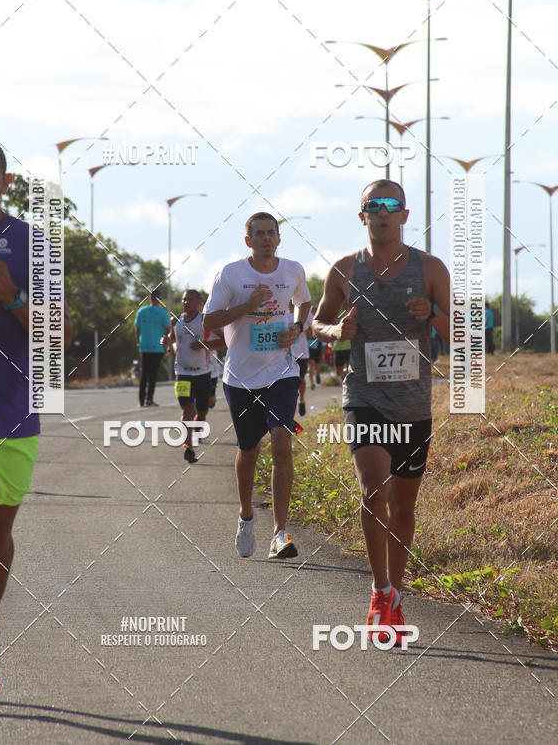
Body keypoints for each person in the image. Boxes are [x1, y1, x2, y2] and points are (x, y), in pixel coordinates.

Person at [0, 134, 72, 700]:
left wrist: (13, 297)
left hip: (10, 411)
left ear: (5, 182)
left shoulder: (34, 244)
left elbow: (60, 339)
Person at [313, 180, 450, 643]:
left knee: (403, 507)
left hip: (413, 403)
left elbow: (461, 331)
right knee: (374, 490)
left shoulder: (429, 268)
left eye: (392, 204)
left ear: (405, 215)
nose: (383, 211)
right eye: (374, 205)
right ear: (363, 216)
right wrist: (337, 331)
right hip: (364, 397)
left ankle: (397, 591)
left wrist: (431, 314)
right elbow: (317, 322)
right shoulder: (344, 269)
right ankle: (379, 589)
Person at [203, 212, 311, 559]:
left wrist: (297, 328)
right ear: (248, 240)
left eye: (271, 233)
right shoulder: (231, 274)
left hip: (282, 371)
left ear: (279, 238)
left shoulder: (292, 270)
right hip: (241, 377)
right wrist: (247, 306)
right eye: (259, 234)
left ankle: (280, 532)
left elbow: (304, 303)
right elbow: (209, 321)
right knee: (249, 450)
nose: (266, 238)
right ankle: (246, 516)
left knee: (282, 442)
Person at [161, 290, 224, 464]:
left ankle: (198, 423)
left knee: (202, 412)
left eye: (190, 300)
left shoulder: (205, 321)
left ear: (198, 302)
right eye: (184, 300)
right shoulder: (175, 320)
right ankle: (187, 446)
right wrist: (166, 342)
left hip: (203, 373)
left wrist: (204, 345)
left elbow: (224, 340)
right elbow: (172, 339)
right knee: (187, 409)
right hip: (182, 373)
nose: (186, 302)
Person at [134, 287, 169, 407]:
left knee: (144, 374)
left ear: (149, 298)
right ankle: (149, 399)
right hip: (157, 347)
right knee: (153, 374)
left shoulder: (141, 311)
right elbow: (168, 330)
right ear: (159, 299)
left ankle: (141, 400)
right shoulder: (162, 313)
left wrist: (138, 342)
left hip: (144, 346)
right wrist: (168, 344)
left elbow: (137, 329)